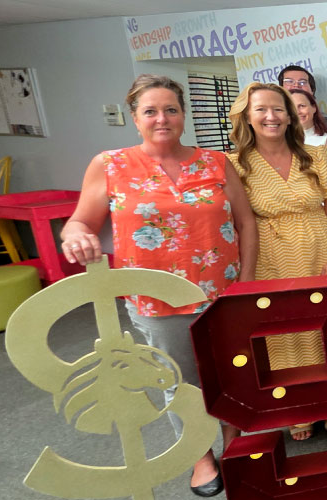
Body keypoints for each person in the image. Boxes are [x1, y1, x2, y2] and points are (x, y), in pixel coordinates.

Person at [60, 74, 257, 497]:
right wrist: (74, 234)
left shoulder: (215, 162)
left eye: (171, 109)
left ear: (183, 114)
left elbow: (245, 222)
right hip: (155, 299)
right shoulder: (110, 165)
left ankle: (232, 441)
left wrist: (247, 282)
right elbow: (80, 220)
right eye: (150, 110)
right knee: (177, 380)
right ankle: (199, 455)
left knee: (227, 373)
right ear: (135, 118)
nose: (162, 118)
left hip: (221, 292)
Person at [227, 82, 327, 441]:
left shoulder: (314, 155)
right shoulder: (234, 164)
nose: (271, 116)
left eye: (278, 108)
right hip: (270, 259)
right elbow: (237, 220)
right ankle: (299, 411)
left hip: (320, 252)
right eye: (261, 109)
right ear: (246, 117)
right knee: (285, 337)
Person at [278, 64, 327, 152]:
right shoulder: (274, 125)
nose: (296, 85)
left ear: (312, 90)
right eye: (289, 81)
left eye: (302, 82)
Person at [289, 89, 327, 163]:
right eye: (292, 108)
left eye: (302, 106)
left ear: (314, 108)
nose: (297, 112)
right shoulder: (281, 145)